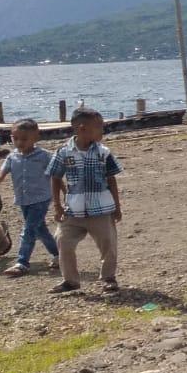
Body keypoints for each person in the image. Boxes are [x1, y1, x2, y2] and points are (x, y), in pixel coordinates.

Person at [46, 108, 124, 293]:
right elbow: (55, 177)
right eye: (98, 127)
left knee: (108, 244)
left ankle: (109, 277)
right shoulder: (64, 152)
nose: (102, 130)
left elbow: (111, 179)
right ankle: (70, 280)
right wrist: (57, 205)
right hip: (73, 210)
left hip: (101, 209)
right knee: (63, 241)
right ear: (82, 128)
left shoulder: (103, 152)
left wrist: (117, 206)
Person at [0, 119, 61, 277]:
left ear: (36, 138)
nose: (19, 142)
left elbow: (56, 175)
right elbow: (1, 175)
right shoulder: (12, 157)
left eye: (24, 139)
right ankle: (58, 254)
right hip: (23, 199)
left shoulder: (44, 156)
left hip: (40, 199)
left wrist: (64, 193)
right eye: (15, 138)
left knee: (28, 230)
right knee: (40, 230)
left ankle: (22, 263)